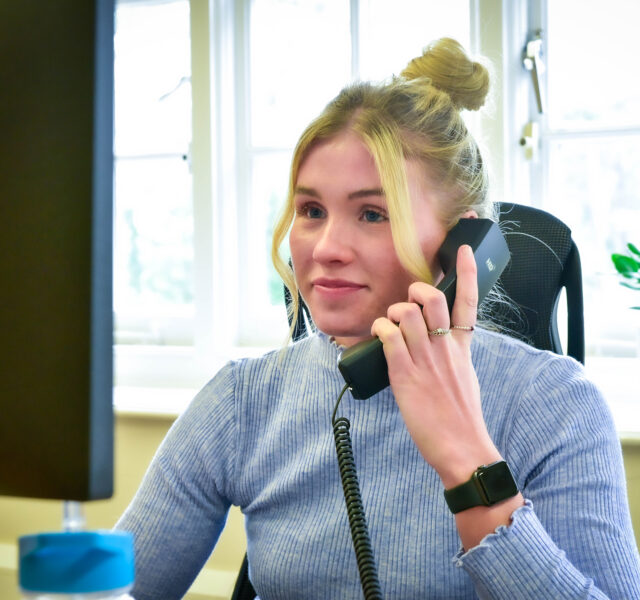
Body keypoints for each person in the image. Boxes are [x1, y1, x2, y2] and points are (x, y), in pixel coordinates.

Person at [115, 38, 640, 599]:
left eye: (372, 213)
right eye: (311, 211)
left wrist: (467, 458)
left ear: (463, 245)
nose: (326, 247)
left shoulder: (554, 403)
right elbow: (114, 588)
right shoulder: (244, 400)